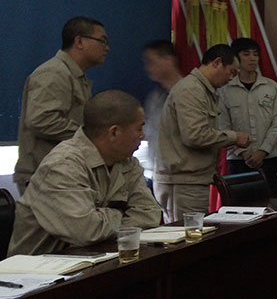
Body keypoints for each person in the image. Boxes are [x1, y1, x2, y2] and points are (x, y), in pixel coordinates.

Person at [8, 90, 162, 256]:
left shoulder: (127, 162)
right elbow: (87, 232)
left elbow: (150, 214)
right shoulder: (62, 166)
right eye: (139, 128)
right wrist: (123, 214)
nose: (142, 135)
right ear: (114, 132)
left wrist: (103, 219)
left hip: (99, 259)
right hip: (41, 267)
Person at [153, 44, 250, 222]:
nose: (231, 78)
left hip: (192, 181)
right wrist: (234, 137)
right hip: (182, 183)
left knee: (195, 233)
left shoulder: (202, 90)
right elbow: (195, 136)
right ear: (217, 63)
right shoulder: (191, 90)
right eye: (231, 72)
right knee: (185, 235)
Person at [13, 16, 108, 195]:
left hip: (61, 175)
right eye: (102, 41)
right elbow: (41, 120)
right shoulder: (55, 73)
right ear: (79, 41)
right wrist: (90, 136)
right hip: (45, 177)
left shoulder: (75, 76)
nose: (107, 47)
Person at [218, 37, 277, 195]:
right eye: (246, 54)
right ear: (236, 58)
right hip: (238, 160)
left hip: (268, 158)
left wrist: (262, 151)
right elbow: (223, 126)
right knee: (240, 205)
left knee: (270, 203)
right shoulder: (225, 89)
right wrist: (244, 153)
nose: (252, 58)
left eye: (255, 54)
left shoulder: (271, 86)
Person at [140, 40, 182, 185]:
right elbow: (148, 133)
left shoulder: (187, 94)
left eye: (151, 61)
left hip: (181, 176)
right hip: (157, 174)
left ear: (169, 60)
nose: (147, 68)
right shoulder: (154, 97)